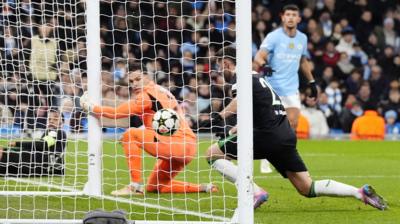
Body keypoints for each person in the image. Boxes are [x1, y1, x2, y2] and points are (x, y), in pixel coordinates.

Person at [205, 46, 387, 210]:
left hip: (264, 136)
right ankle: (358, 192)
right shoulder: (258, 78)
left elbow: (240, 100)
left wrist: (220, 115)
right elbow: (258, 109)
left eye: (221, 66)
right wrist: (235, 128)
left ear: (227, 63)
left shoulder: (241, 77)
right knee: (306, 187)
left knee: (211, 154)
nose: (221, 71)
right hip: (283, 135)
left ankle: (254, 192)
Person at [80, 62, 216, 196]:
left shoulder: (146, 96)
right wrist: (143, 131)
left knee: (131, 135)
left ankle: (135, 186)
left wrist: (91, 107)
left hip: (176, 144)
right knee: (155, 187)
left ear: (147, 76)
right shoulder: (161, 90)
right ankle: (204, 188)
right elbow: (158, 119)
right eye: (131, 81)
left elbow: (116, 113)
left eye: (138, 79)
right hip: (186, 145)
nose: (134, 84)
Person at [253, 4, 318, 173]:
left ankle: (283, 158)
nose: (290, 17)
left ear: (298, 19)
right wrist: (264, 66)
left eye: (293, 15)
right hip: (273, 87)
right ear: (282, 17)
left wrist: (312, 82)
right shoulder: (273, 37)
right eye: (287, 14)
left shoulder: (302, 38)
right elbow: (259, 56)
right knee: (271, 124)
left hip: (291, 87)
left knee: (292, 123)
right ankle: (266, 157)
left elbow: (303, 61)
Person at [0, 109, 66, 176]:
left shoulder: (57, 132)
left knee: (4, 153)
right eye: (49, 119)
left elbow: (43, 145)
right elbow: (39, 148)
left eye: (55, 119)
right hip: (36, 165)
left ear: (62, 123)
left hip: (39, 165)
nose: (51, 121)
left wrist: (18, 144)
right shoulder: (49, 133)